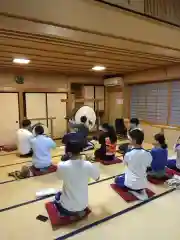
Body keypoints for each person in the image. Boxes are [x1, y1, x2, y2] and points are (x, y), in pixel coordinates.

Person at [54, 135, 100, 216]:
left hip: (67, 207)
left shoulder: (62, 165)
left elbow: (59, 177)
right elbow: (97, 178)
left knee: (57, 195)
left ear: (68, 152)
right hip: (83, 205)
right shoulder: (87, 164)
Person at [115, 129, 152, 200]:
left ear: (134, 141)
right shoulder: (148, 153)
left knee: (117, 179)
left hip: (131, 183)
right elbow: (148, 165)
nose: (129, 140)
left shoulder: (129, 154)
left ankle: (133, 191)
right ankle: (140, 190)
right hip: (144, 183)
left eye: (130, 139)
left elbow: (125, 164)